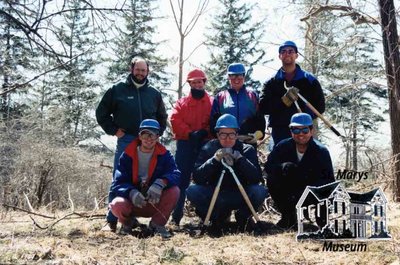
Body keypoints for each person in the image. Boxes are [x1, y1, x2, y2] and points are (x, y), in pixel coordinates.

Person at [96, 56, 168, 230]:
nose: (141, 73)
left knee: (146, 177)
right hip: (127, 139)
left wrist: (157, 135)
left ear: (148, 72)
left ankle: (136, 217)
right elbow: (101, 112)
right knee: (119, 177)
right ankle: (112, 220)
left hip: (149, 141)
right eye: (138, 70)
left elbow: (162, 116)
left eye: (144, 70)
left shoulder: (154, 93)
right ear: (131, 70)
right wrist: (114, 130)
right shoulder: (117, 90)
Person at [187, 114, 267, 233]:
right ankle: (215, 218)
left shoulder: (247, 149)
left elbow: (256, 178)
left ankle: (243, 217)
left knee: (259, 190)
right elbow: (198, 177)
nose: (227, 138)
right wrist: (214, 160)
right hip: (216, 194)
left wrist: (241, 159)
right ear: (217, 134)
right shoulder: (208, 148)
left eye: (231, 134)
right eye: (223, 134)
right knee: (192, 191)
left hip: (240, 194)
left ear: (236, 134)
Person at [109, 119, 180, 239]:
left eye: (153, 135)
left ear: (158, 137)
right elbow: (118, 182)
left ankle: (157, 224)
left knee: (175, 191)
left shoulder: (165, 155)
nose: (149, 139)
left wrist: (161, 183)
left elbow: (175, 173)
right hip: (133, 202)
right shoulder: (127, 155)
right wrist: (131, 192)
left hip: (154, 201)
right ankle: (128, 223)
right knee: (116, 204)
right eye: (145, 134)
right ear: (139, 136)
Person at [265, 113, 335, 229]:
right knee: (272, 180)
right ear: (291, 131)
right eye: (296, 130)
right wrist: (282, 167)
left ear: (311, 131)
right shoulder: (282, 146)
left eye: (304, 130)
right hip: (290, 190)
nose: (300, 134)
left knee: (327, 190)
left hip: (312, 190)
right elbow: (268, 168)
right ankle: (288, 217)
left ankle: (322, 221)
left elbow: (329, 181)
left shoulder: (321, 151)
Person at [259, 41, 326, 149]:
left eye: (291, 51)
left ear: (296, 55)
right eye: (284, 51)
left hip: (304, 131)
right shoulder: (271, 82)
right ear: (279, 56)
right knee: (279, 163)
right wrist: (283, 102)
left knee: (308, 163)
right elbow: (263, 107)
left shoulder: (309, 80)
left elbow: (320, 107)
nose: (287, 54)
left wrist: (303, 118)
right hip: (280, 131)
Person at [169, 69, 213, 227]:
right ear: (189, 84)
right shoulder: (182, 102)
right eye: (193, 82)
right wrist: (190, 133)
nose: (197, 85)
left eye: (199, 81)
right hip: (186, 144)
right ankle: (176, 217)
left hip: (206, 144)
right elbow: (174, 119)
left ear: (204, 82)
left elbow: (215, 120)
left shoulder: (212, 102)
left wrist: (205, 132)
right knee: (181, 180)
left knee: (206, 180)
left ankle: (206, 217)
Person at [210, 63, 265, 146]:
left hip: (248, 142)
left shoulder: (253, 96)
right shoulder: (220, 97)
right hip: (226, 142)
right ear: (228, 77)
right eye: (233, 76)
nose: (236, 79)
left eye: (239, 76)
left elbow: (260, 120)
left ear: (244, 76)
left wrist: (257, 135)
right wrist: (220, 137)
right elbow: (213, 122)